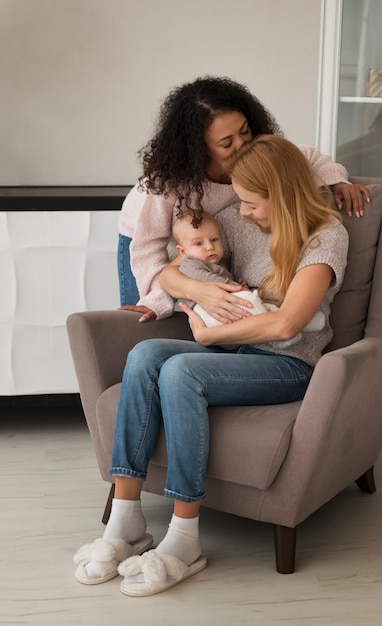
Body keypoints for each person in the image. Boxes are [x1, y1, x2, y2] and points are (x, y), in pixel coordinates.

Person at [74, 135, 349, 597]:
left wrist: (207, 334)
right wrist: (197, 291)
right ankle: (126, 521)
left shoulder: (325, 237)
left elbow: (286, 324)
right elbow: (171, 265)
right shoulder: (240, 224)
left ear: (281, 195)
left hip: (287, 366)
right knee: (145, 354)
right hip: (233, 355)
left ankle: (184, 538)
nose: (240, 212)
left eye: (251, 203)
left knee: (181, 370)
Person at [118, 75, 369, 315]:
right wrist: (156, 301)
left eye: (245, 131)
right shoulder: (168, 183)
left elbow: (308, 158)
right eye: (227, 144)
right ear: (198, 150)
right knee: (143, 320)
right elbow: (149, 245)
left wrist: (337, 181)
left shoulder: (257, 157)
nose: (242, 145)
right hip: (149, 239)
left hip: (209, 241)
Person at [172, 210, 325, 348]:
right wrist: (236, 288)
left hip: (218, 319)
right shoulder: (189, 263)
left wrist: (237, 284)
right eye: (199, 243)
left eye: (214, 240)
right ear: (182, 251)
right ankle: (278, 336)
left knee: (258, 307)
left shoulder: (215, 263)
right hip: (207, 313)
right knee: (249, 300)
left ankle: (302, 323)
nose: (209, 247)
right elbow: (209, 280)